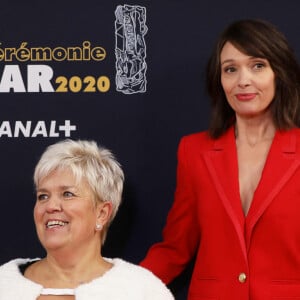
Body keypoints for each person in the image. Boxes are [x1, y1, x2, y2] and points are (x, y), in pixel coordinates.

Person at [140, 19, 300, 299]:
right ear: (220, 80)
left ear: (280, 73)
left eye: (258, 65)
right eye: (230, 69)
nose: (243, 80)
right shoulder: (194, 151)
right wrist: (115, 287)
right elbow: (176, 248)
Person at [0, 139, 174, 300]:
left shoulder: (142, 291)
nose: (50, 206)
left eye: (67, 194)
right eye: (43, 196)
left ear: (102, 213)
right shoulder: (4, 285)